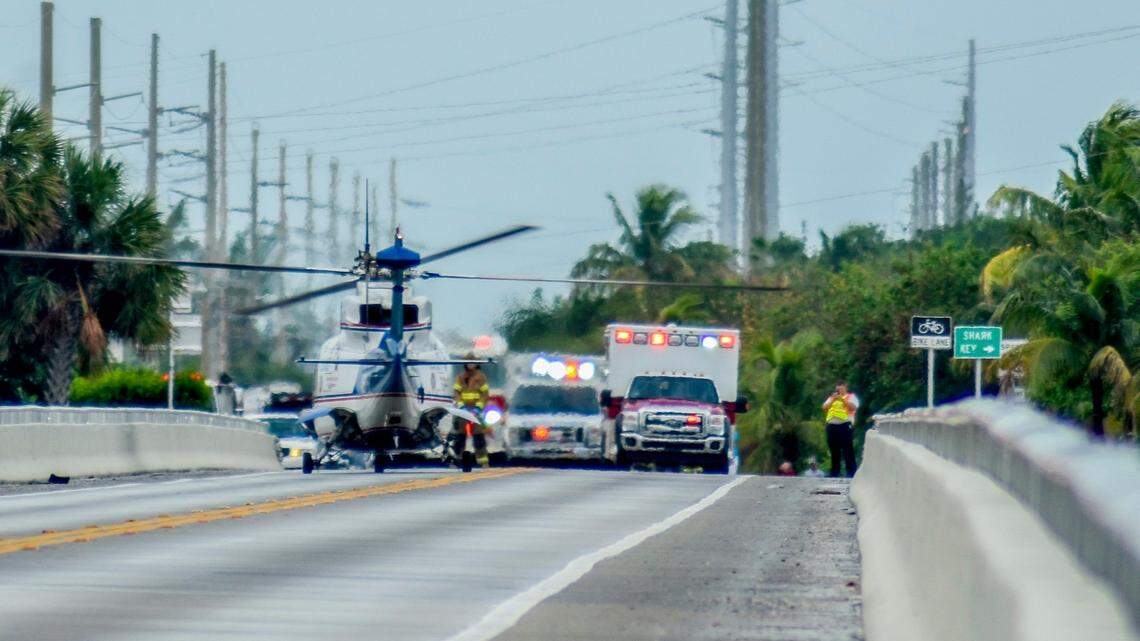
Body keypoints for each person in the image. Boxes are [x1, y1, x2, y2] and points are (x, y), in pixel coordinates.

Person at [452, 355, 491, 465]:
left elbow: (485, 394)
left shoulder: (481, 377)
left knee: (478, 435)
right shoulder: (460, 377)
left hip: (476, 411)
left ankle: (482, 460)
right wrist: (460, 406)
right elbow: (456, 393)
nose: (471, 364)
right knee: (460, 435)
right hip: (463, 410)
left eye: (473, 362)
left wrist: (478, 407)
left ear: (477, 364)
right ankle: (457, 458)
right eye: (469, 362)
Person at [822, 380, 859, 478]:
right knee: (834, 450)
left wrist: (842, 400)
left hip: (845, 424)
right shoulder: (831, 398)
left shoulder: (851, 397)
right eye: (838, 386)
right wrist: (833, 400)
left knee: (847, 449)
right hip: (832, 425)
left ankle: (851, 472)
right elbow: (824, 408)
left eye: (841, 386)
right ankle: (834, 472)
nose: (839, 388)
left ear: (845, 387)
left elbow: (853, 407)